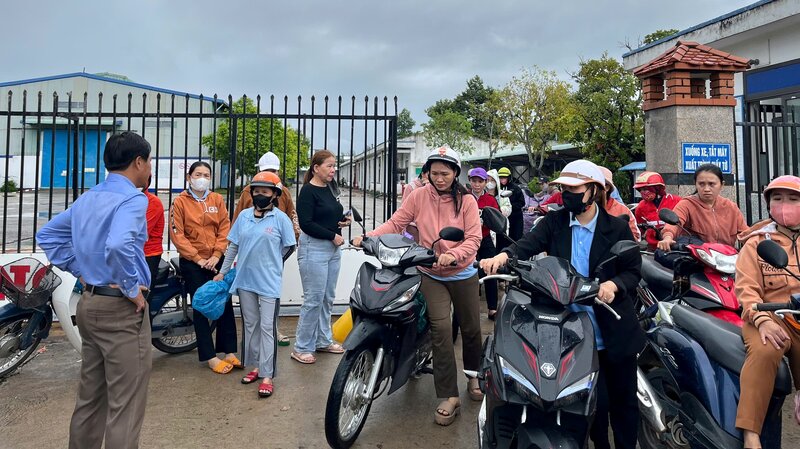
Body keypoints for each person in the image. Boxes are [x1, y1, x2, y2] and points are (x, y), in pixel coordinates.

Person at [481, 159, 644, 449]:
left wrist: (612, 285)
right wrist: (503, 256)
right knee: (589, 407)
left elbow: (632, 271)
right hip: (568, 329)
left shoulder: (617, 228)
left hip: (610, 327)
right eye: (563, 189)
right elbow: (526, 244)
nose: (567, 194)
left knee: (622, 404)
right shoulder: (554, 223)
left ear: (594, 191)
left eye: (574, 188)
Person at [36, 131, 154, 449]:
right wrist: (132, 289)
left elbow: (47, 235)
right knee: (125, 407)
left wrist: (83, 271)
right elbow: (118, 244)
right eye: (149, 161)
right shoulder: (133, 198)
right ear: (138, 162)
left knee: (91, 398)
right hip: (121, 310)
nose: (149, 167)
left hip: (89, 303)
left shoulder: (89, 197)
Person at [353, 145, 483, 426]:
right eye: (434, 173)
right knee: (440, 329)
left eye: (445, 174)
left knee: (471, 328)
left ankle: (474, 375)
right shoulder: (419, 196)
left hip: (461, 273)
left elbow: (474, 239)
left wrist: (454, 254)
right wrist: (368, 238)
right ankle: (449, 396)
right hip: (430, 272)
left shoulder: (468, 202)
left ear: (455, 173)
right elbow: (397, 222)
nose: (439, 179)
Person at [214, 172, 296, 398]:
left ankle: (268, 375)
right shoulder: (243, 217)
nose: (260, 195)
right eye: (256, 191)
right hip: (245, 279)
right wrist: (223, 272)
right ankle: (257, 367)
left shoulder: (281, 219)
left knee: (267, 328)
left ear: (275, 194)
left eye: (265, 191)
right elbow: (233, 246)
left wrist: (273, 262)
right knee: (251, 325)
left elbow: (289, 246)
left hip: (268, 281)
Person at [734, 175, 800, 448]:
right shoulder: (757, 243)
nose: (784, 205)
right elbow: (746, 290)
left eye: (793, 199)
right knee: (765, 350)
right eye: (777, 199)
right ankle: (751, 433)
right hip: (769, 315)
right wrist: (762, 320)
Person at [170, 161, 239, 374]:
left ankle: (229, 352)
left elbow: (224, 228)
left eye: (206, 174)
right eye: (198, 174)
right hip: (193, 263)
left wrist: (217, 254)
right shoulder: (180, 202)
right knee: (201, 305)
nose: (202, 178)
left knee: (224, 302)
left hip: (217, 260)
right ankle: (209, 356)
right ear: (189, 177)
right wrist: (198, 258)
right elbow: (177, 234)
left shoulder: (216, 199)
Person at [232, 151, 299, 346]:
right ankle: (253, 335)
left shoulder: (282, 191)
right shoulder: (248, 191)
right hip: (250, 254)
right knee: (250, 298)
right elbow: (238, 220)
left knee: (270, 296)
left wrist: (293, 238)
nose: (269, 175)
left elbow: (292, 216)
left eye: (273, 171)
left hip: (273, 252)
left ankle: (273, 330)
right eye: (266, 171)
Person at [293, 149, 350, 364]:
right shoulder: (308, 191)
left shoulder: (329, 189)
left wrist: (343, 221)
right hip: (314, 249)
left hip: (332, 249)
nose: (333, 169)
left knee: (327, 297)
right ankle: (302, 347)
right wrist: (332, 236)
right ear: (316, 168)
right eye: (329, 165)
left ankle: (323, 340)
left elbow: (329, 215)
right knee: (313, 299)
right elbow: (306, 224)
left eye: (334, 165)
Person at [658, 163, 747, 251]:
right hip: (698, 258)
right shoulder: (687, 204)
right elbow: (673, 225)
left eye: (711, 184)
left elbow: (746, 234)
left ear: (722, 185)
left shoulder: (731, 207)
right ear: (695, 184)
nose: (706, 189)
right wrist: (668, 237)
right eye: (701, 184)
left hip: (726, 259)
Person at [467, 167, 501, 320]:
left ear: (486, 182)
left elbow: (497, 219)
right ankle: (470, 308)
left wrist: (485, 221)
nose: (477, 184)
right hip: (467, 241)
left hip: (485, 238)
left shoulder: (490, 200)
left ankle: (492, 308)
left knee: (491, 271)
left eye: (480, 181)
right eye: (474, 181)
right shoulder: (465, 198)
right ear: (470, 182)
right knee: (469, 273)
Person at [633, 171, 682, 249]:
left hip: (676, 246)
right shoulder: (640, 207)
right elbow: (640, 230)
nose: (642, 192)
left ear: (657, 188)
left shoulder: (677, 201)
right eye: (640, 190)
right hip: (653, 249)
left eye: (645, 189)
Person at [599, 166, 641, 242]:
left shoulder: (622, 210)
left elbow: (635, 240)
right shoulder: (580, 210)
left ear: (607, 187)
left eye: (595, 185)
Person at [143, 175, 165, 295]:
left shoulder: (152, 202)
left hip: (148, 254)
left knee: (144, 295)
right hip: (129, 253)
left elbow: (140, 233)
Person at [497, 167, 526, 241]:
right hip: (502, 217)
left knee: (516, 238)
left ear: (509, 178)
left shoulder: (516, 188)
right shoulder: (497, 189)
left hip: (515, 218)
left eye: (504, 178)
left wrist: (510, 208)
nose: (502, 180)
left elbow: (522, 202)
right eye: (500, 178)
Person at [401, 166, 429, 241]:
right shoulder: (411, 187)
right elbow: (403, 209)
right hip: (413, 226)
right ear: (423, 174)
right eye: (429, 174)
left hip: (428, 226)